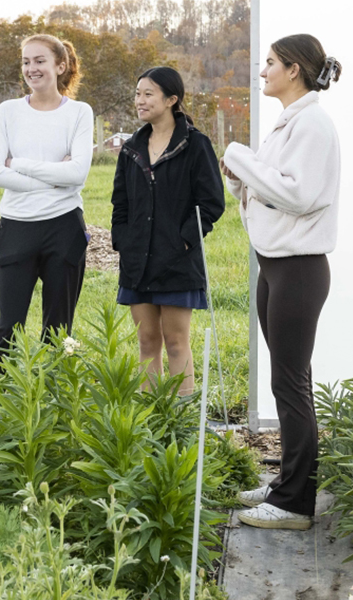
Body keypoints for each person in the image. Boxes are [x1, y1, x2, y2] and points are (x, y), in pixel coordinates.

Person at [223, 35, 342, 530]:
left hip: (297, 268)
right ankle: (286, 485)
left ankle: (295, 504)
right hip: (275, 264)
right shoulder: (288, 123)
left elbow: (299, 195)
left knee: (289, 383)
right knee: (288, 380)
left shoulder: (312, 124)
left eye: (269, 62)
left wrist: (237, 155)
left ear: (293, 70)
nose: (262, 69)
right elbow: (265, 185)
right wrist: (243, 173)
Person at [0, 33, 94, 368]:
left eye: (40, 61)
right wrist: (49, 180)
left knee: (59, 328)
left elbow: (77, 174)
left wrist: (18, 165)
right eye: (26, 61)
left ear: (60, 66)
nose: (31, 68)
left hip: (64, 227)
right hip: (17, 228)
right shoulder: (8, 111)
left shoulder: (79, 113)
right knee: (7, 326)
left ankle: (56, 406)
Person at [110, 66, 225, 395]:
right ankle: (154, 420)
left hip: (177, 262)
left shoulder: (195, 145)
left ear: (172, 99)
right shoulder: (132, 148)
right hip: (137, 261)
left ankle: (182, 421)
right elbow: (120, 203)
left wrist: (184, 242)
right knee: (147, 343)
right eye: (137, 94)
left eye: (148, 94)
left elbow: (212, 203)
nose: (140, 101)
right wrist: (124, 241)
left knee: (176, 343)